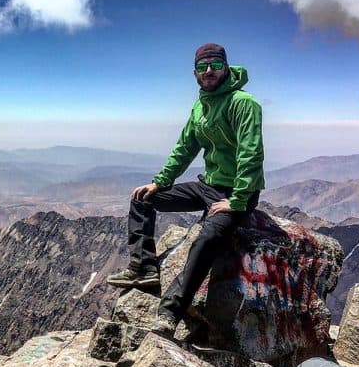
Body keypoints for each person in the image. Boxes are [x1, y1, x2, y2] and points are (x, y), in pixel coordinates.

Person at [107, 43, 264, 337]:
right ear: (194, 73)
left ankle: (170, 311)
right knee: (142, 199)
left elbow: (250, 153)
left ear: (226, 67)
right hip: (208, 185)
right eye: (203, 67)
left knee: (209, 236)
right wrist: (160, 182)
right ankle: (145, 269)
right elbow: (185, 147)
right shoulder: (200, 105)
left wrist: (239, 200)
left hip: (235, 193)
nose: (209, 71)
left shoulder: (244, 103)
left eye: (215, 65)